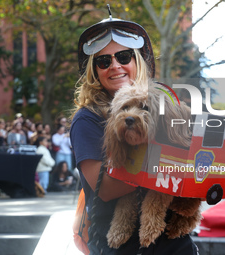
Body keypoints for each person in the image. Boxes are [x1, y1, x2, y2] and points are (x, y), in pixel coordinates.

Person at [69, 12, 198, 255]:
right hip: (118, 247)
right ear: (95, 71)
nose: (115, 65)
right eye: (104, 61)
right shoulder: (86, 119)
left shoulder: (164, 105)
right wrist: (171, 166)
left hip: (174, 243)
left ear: (138, 61)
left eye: (124, 56)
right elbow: (105, 188)